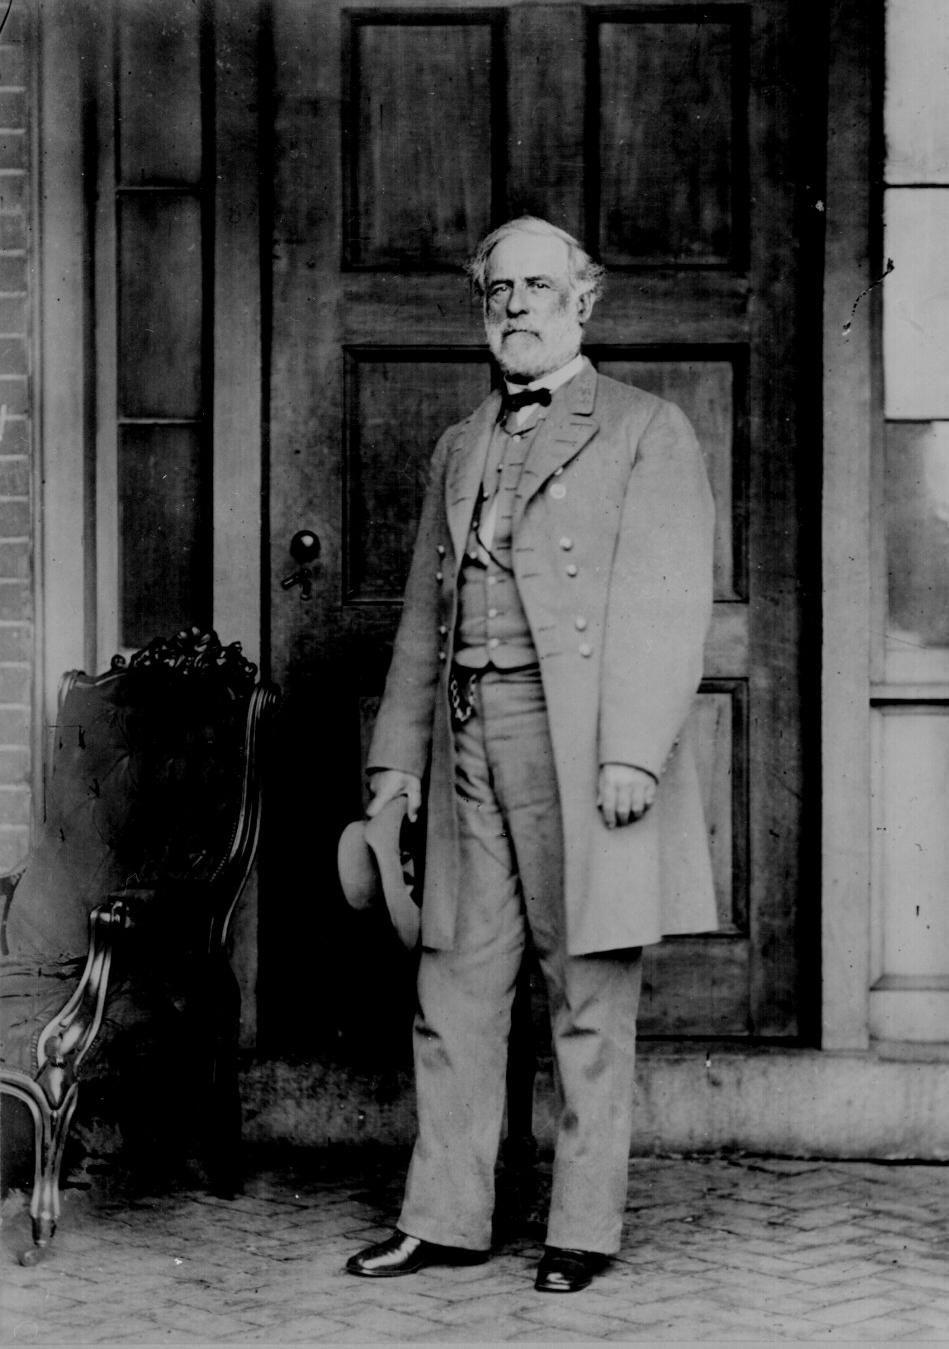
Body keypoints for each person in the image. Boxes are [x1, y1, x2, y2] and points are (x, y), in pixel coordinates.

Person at [345, 216, 717, 1294]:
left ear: (583, 302)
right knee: (453, 980)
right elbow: (424, 616)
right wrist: (396, 764)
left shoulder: (646, 430)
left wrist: (634, 752)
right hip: (465, 739)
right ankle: (445, 1216)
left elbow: (665, 604)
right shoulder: (458, 444)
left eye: (539, 288)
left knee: (586, 988)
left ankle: (582, 1229)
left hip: (580, 743)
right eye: (498, 290)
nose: (516, 307)